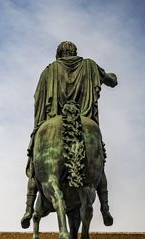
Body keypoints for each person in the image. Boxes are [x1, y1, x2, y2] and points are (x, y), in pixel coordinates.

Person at [21, 41, 117, 229]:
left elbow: (38, 100)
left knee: (34, 163)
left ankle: (28, 209)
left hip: (51, 121)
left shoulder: (49, 71)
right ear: (74, 52)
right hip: (86, 121)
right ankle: (105, 209)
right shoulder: (89, 65)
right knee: (99, 164)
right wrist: (108, 76)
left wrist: (40, 128)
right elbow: (111, 80)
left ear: (59, 54)